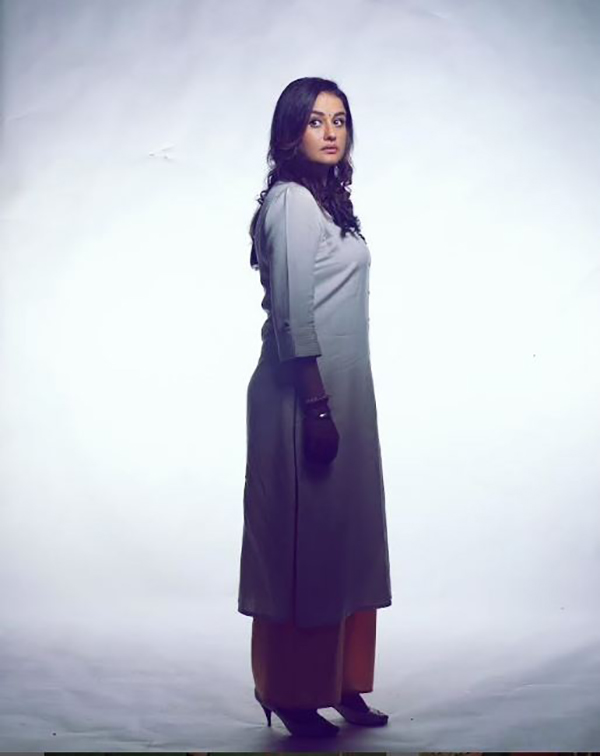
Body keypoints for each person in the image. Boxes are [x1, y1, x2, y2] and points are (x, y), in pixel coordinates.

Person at [238, 76, 392, 738]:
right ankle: (293, 692)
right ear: (290, 131)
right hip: (304, 395)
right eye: (316, 121)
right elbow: (291, 316)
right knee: (304, 547)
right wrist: (317, 407)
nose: (331, 132)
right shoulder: (292, 203)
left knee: (345, 540)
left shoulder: (328, 204)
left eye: (340, 120)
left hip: (344, 391)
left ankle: (341, 681)